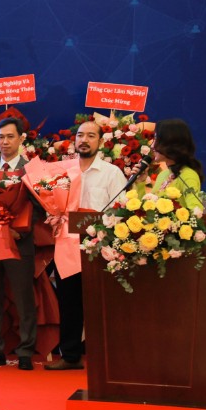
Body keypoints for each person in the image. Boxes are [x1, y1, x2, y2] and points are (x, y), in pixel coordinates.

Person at [47, 120, 126, 371]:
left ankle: (108, 359)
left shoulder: (112, 173)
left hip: (99, 245)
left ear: (100, 141)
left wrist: (100, 227)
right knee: (68, 301)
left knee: (100, 302)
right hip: (67, 244)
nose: (84, 140)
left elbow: (122, 209)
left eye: (91, 135)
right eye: (80, 135)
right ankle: (70, 356)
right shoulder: (63, 171)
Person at [0, 116, 41, 370]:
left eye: (10, 136)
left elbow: (40, 207)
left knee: (24, 299)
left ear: (21, 139)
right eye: (1, 137)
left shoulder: (32, 170)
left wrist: (20, 232)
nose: (5, 142)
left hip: (19, 243)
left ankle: (25, 351)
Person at [145, 118, 206, 211]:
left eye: (156, 140)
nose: (152, 146)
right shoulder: (163, 174)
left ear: (170, 144)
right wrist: (141, 182)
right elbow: (146, 211)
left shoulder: (188, 175)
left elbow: (196, 211)